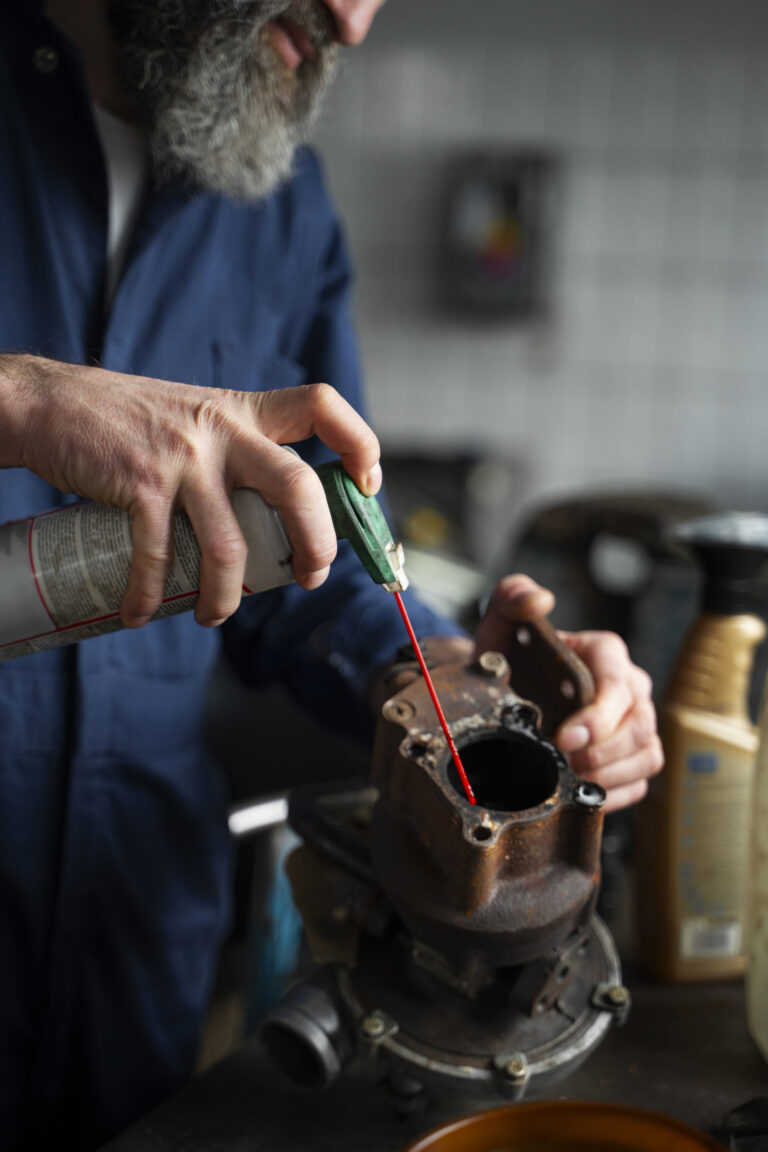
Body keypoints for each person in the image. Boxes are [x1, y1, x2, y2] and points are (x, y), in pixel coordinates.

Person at [0, 1, 663, 1147]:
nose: (354, 20)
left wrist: (459, 674)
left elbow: (324, 552)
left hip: (132, 955)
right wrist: (21, 399)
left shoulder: (283, 205)